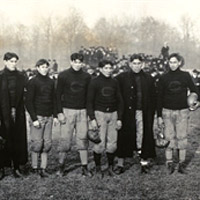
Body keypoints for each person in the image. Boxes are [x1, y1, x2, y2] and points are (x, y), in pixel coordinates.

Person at [157, 53, 199, 174]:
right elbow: (159, 97)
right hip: (167, 111)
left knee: (182, 137)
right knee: (169, 137)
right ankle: (169, 162)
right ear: (168, 63)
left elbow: (195, 90)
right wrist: (159, 115)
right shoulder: (163, 77)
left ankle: (181, 164)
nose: (173, 65)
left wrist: (196, 101)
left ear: (180, 62)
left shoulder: (185, 75)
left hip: (182, 111)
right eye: (170, 62)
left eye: (175, 62)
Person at [115, 54, 156, 174]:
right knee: (123, 135)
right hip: (127, 113)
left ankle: (144, 163)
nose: (136, 66)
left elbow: (154, 96)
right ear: (130, 64)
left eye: (139, 64)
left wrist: (152, 112)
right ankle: (120, 164)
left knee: (143, 135)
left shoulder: (148, 78)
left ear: (142, 64)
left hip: (143, 112)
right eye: (134, 64)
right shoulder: (121, 78)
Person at [56, 53, 91, 177]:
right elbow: (57, 96)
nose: (78, 64)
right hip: (67, 110)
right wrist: (59, 112)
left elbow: (89, 97)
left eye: (80, 62)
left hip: (82, 111)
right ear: (71, 62)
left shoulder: (87, 76)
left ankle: (85, 167)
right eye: (75, 62)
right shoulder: (63, 75)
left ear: (82, 63)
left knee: (82, 139)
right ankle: (61, 167)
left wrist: (90, 115)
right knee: (65, 140)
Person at [87, 60, 123, 177]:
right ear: (100, 69)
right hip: (100, 114)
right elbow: (89, 101)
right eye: (106, 68)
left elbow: (120, 101)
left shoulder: (114, 82)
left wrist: (119, 118)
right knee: (99, 143)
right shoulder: (94, 82)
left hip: (113, 114)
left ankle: (110, 167)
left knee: (112, 143)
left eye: (110, 68)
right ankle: (98, 168)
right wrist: (92, 118)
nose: (108, 70)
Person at [26, 59, 58, 178]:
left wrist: (55, 116)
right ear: (37, 68)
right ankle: (35, 167)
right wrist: (34, 119)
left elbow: (54, 99)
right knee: (37, 143)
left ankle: (43, 168)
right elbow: (28, 102)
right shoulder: (33, 82)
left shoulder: (51, 82)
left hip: (48, 116)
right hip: (38, 116)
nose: (45, 69)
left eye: (46, 67)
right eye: (42, 67)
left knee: (47, 143)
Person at [0, 52, 28, 179]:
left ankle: (16, 167)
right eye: (11, 61)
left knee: (17, 139)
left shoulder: (21, 76)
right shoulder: (0, 76)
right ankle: (2, 168)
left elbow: (26, 94)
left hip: (17, 112)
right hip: (2, 113)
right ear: (5, 62)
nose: (13, 63)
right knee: (3, 140)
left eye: (15, 61)